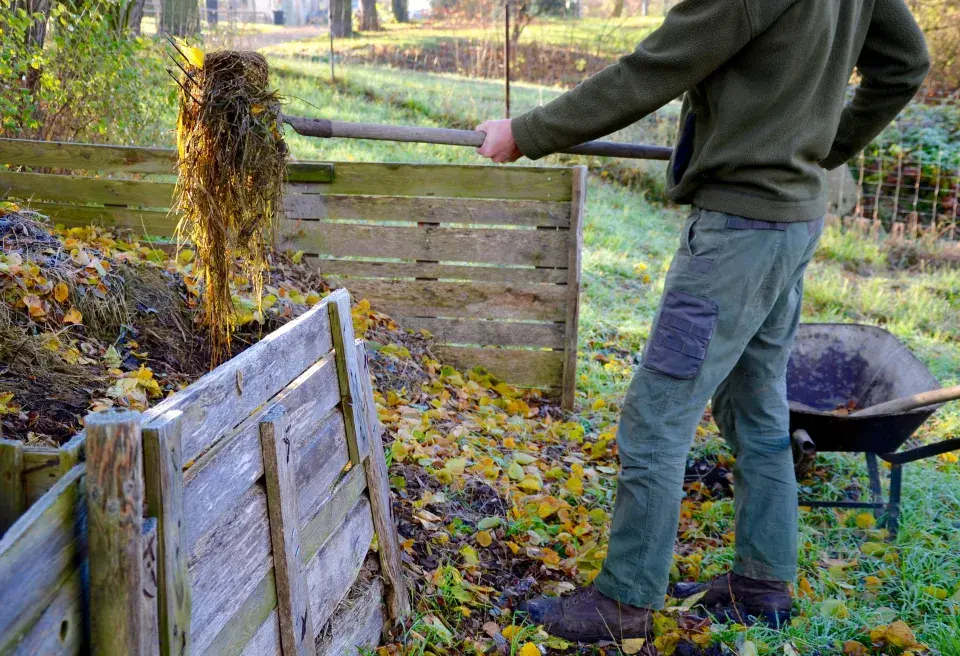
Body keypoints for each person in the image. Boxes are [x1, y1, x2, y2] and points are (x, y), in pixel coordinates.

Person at [474, 0, 929, 642]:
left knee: (657, 415)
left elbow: (653, 68)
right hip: (792, 221)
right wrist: (821, 148)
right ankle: (763, 583)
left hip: (737, 235)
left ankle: (626, 599)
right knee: (757, 405)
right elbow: (906, 62)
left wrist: (526, 131)